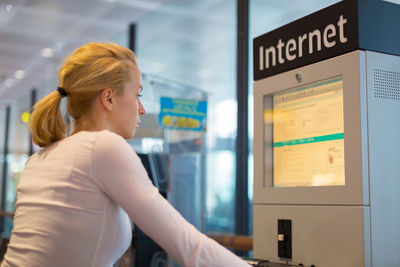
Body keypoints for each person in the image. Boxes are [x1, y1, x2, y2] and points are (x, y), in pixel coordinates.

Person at [0, 42, 250, 267]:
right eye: (137, 94)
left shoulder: (41, 158)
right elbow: (188, 246)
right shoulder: (102, 146)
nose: (141, 109)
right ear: (108, 97)